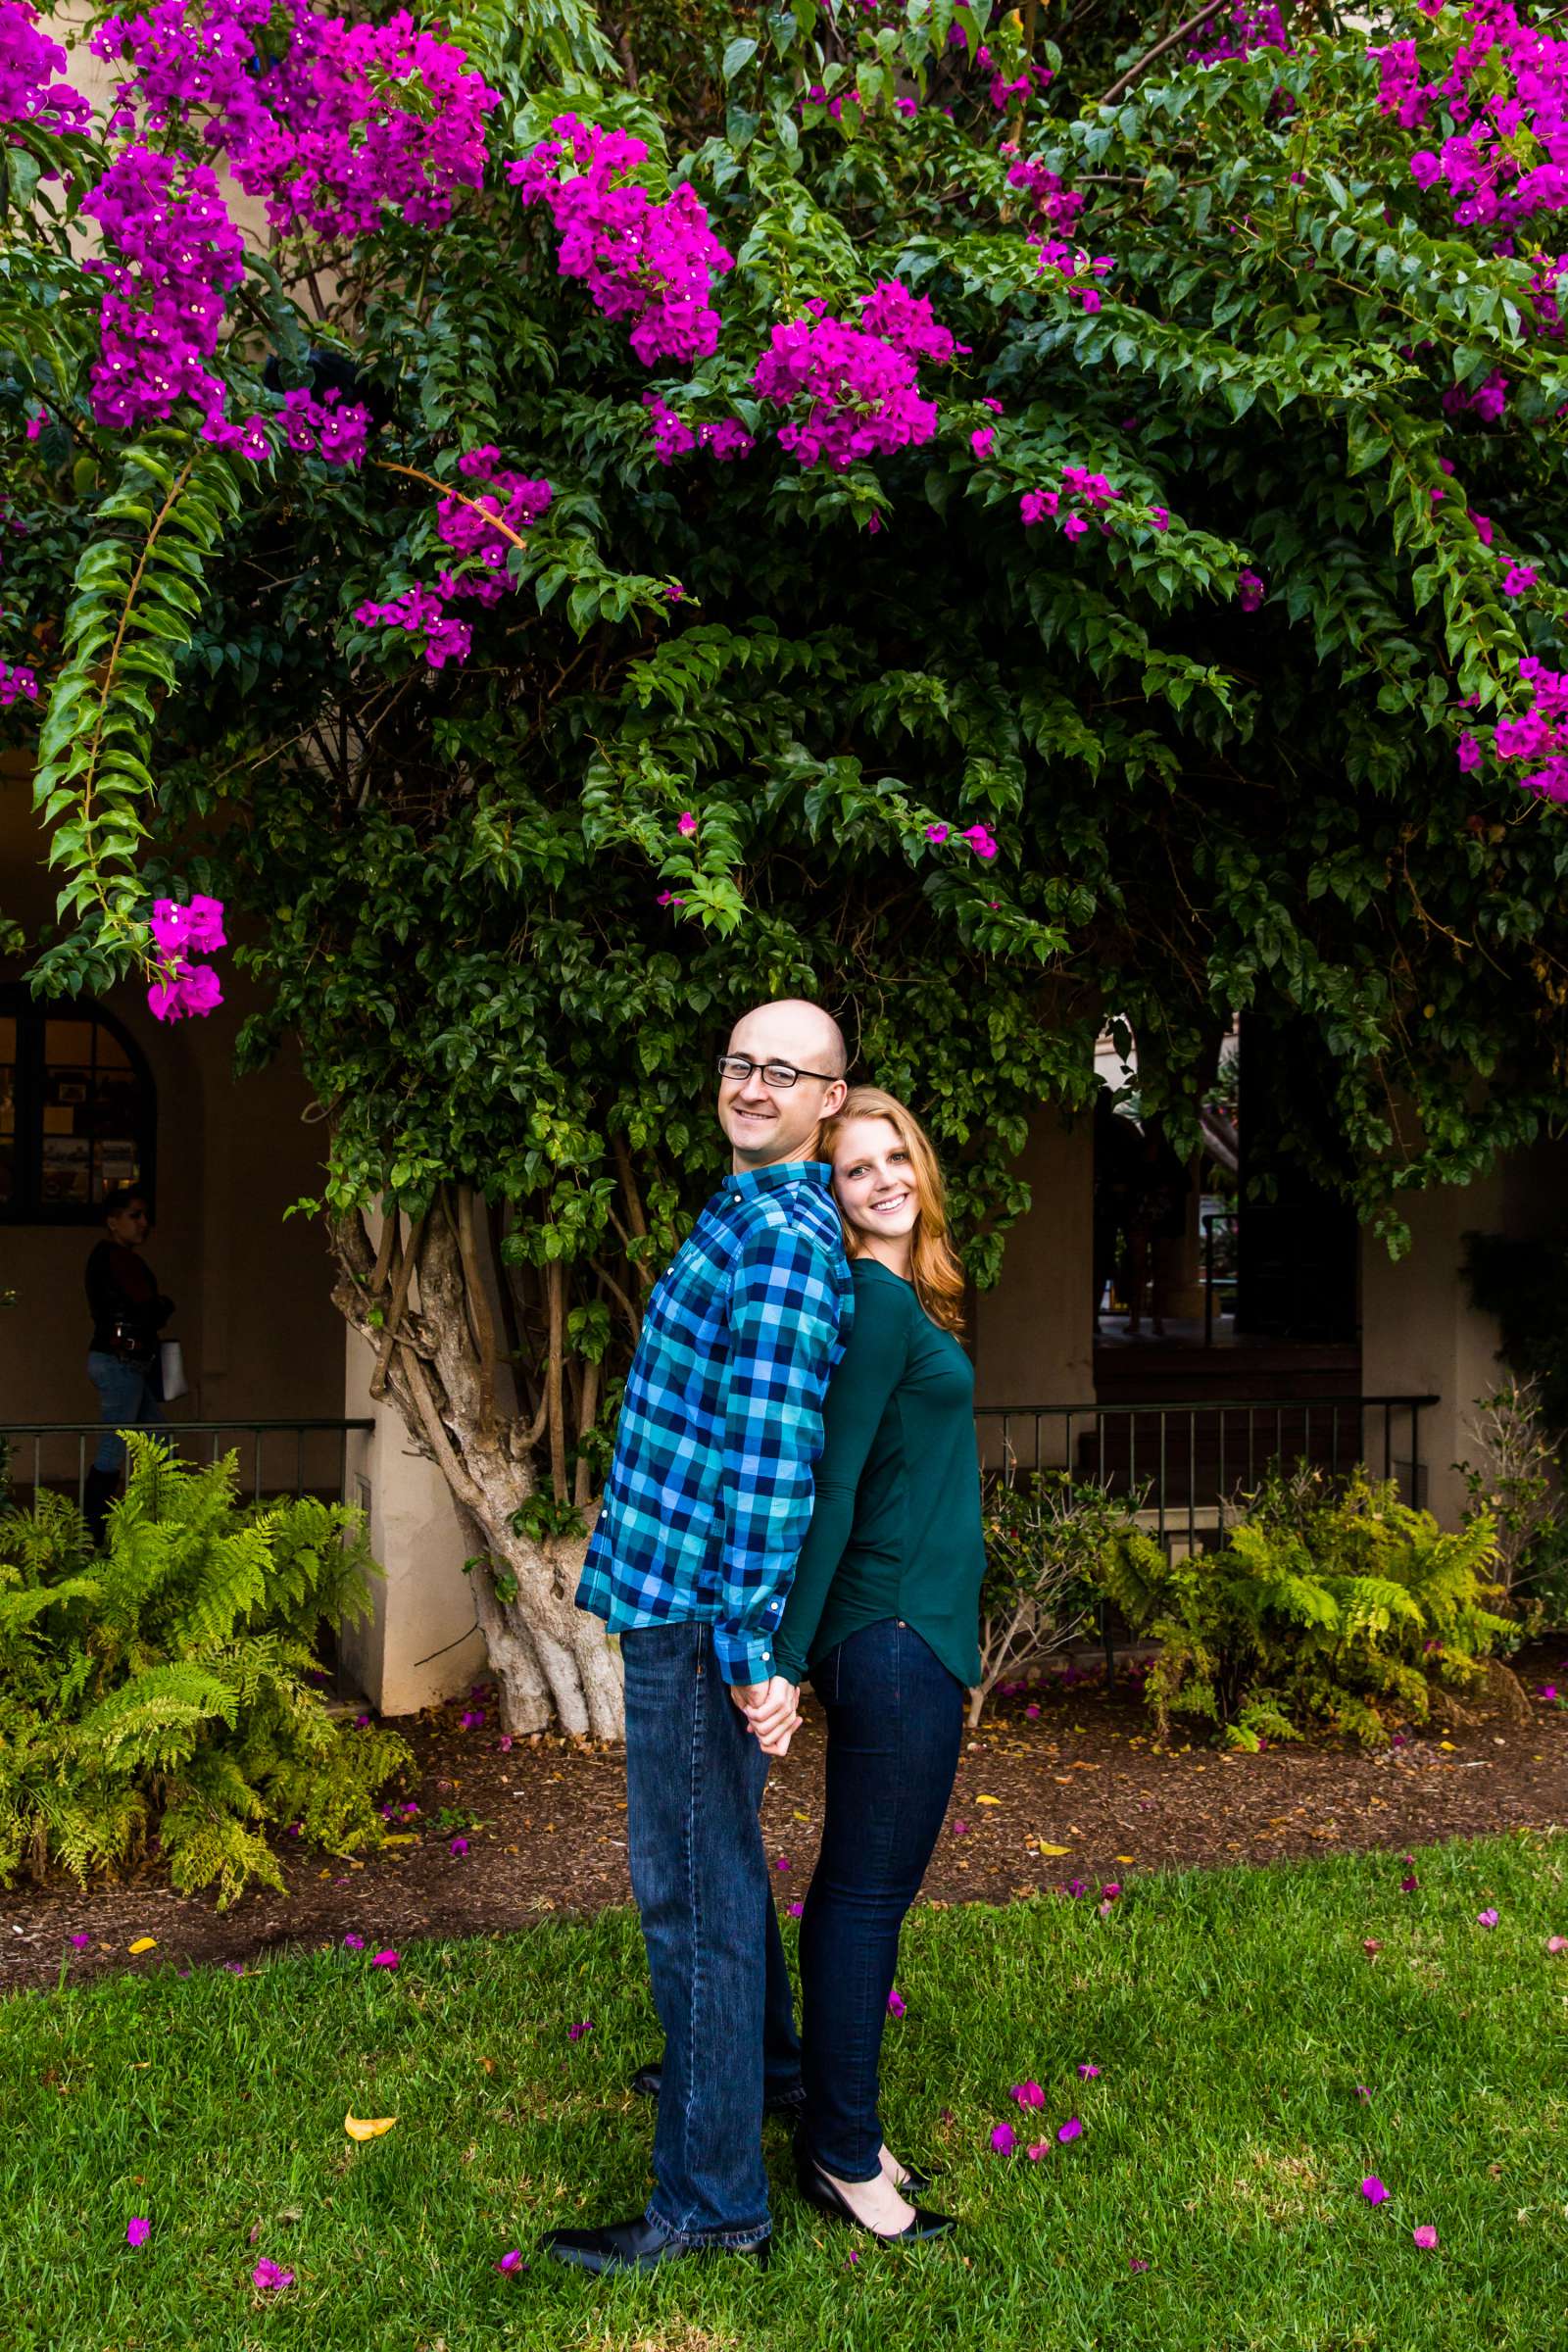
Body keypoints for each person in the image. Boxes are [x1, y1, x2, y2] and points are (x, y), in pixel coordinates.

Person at [543, 999, 853, 2277]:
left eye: (786, 1070)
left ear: (832, 1098)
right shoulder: (747, 1212)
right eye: (740, 1061)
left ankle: (713, 2203)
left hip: (696, 1612)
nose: (752, 1084)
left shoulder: (779, 1237)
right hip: (676, 1590)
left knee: (693, 1896)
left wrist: (749, 1652)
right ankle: (765, 2075)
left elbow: (774, 1469)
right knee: (716, 1861)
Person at [761, 1085, 984, 2244]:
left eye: (896, 1156)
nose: (885, 1178)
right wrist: (787, 1661)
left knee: (863, 1893)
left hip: (913, 1632)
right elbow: (835, 1484)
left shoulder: (911, 1298)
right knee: (862, 1899)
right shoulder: (874, 1301)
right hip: (887, 1634)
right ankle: (842, 2156)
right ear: (835, 1197)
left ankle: (837, 2124)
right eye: (857, 1169)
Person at [83, 1187, 172, 1543]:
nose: (143, 1224)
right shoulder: (113, 1258)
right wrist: (162, 1306)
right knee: (116, 1444)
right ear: (113, 1221)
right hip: (120, 1361)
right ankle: (92, 1534)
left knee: (159, 1442)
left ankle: (165, 1524)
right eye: (134, 1216)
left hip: (127, 1361)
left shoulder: (116, 1258)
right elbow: (144, 1306)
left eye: (145, 1216)